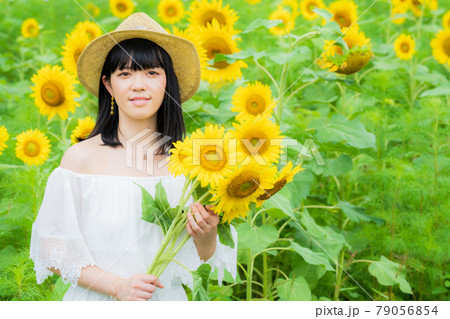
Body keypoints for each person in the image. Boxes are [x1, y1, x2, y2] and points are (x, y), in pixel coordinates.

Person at [29, 12, 238, 301]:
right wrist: (117, 287)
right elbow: (52, 247)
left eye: (151, 73)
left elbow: (205, 257)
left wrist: (206, 234)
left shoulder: (193, 163)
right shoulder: (80, 160)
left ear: (168, 82)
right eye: (125, 74)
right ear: (108, 85)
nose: (138, 84)